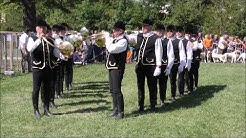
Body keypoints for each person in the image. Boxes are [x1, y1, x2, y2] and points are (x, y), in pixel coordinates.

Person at [27, 20, 67, 119]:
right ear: (37, 28)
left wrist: (65, 56)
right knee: (36, 89)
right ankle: (36, 110)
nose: (43, 30)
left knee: (47, 89)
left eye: (44, 28)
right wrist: (39, 40)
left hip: (48, 68)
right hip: (37, 68)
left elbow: (55, 53)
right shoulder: (32, 39)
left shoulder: (51, 40)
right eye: (41, 28)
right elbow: (30, 49)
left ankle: (46, 109)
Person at [132, 18, 163, 111]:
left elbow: (159, 52)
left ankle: (153, 104)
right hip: (140, 65)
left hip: (150, 65)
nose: (143, 27)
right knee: (140, 86)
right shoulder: (139, 36)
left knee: (152, 85)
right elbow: (130, 39)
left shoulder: (155, 38)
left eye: (145, 26)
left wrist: (158, 66)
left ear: (150, 27)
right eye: (143, 26)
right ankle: (140, 105)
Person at [105, 21, 128, 119]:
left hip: (117, 68)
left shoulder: (123, 41)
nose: (113, 31)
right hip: (111, 67)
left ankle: (120, 112)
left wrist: (107, 39)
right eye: (113, 30)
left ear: (121, 31)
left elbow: (112, 49)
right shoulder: (115, 40)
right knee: (112, 90)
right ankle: (115, 109)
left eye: (115, 30)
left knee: (117, 90)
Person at [154, 23, 174, 107]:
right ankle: (154, 101)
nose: (159, 32)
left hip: (163, 64)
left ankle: (162, 100)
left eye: (161, 31)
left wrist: (169, 67)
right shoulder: (152, 39)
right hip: (152, 64)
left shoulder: (167, 41)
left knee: (163, 84)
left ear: (163, 31)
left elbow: (171, 55)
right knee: (153, 84)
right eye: (158, 30)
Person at [167, 25, 186, 102]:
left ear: (174, 32)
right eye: (168, 31)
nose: (169, 33)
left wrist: (182, 64)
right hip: (165, 64)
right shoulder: (165, 41)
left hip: (175, 63)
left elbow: (182, 53)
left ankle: (173, 95)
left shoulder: (178, 42)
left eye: (171, 31)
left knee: (173, 80)